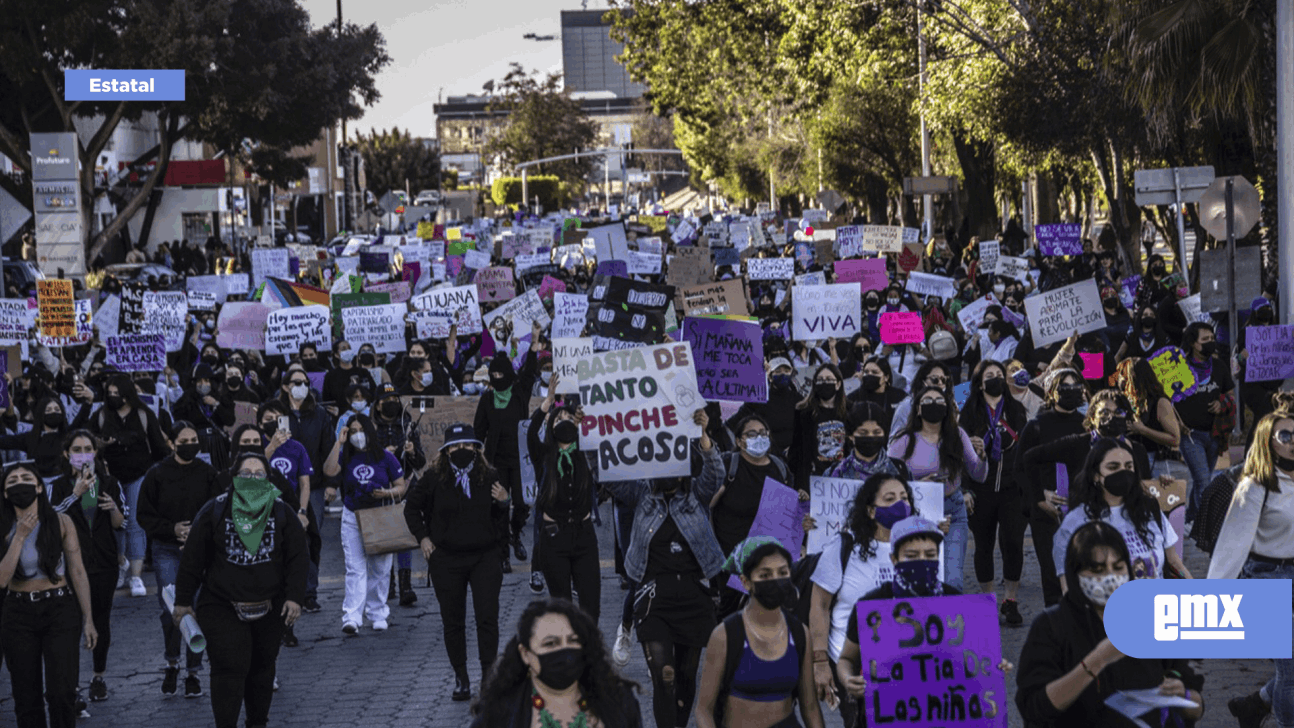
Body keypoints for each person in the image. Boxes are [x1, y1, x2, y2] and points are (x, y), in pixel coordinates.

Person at [600, 408, 723, 728]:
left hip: (695, 596)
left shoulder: (696, 495)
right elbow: (607, 472)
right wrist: (592, 431)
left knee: (684, 675)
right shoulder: (641, 495)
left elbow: (715, 473)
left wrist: (704, 436)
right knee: (664, 676)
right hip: (654, 599)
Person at [1016, 521, 1204, 727]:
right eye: (1097, 570)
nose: (1110, 577)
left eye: (1117, 567)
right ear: (1075, 573)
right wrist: (1097, 661)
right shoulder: (1051, 627)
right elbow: (1035, 708)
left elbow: (1197, 706)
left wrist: (1183, 696)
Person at [172, 453, 308, 728]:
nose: (253, 479)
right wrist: (183, 601)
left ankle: (257, 722)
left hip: (270, 606)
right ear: (234, 478)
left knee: (262, 668)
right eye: (246, 474)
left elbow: (298, 557)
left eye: (259, 474)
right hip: (222, 604)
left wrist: (295, 597)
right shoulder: (215, 510)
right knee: (229, 668)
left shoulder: (282, 511)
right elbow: (193, 559)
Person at [403, 423, 510, 702]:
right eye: (455, 446)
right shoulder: (433, 478)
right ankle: (461, 677)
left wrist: (504, 502)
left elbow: (502, 522)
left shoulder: (490, 475)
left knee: (487, 617)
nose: (461, 450)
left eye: (467, 445)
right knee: (453, 621)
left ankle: (488, 676)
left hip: (484, 557)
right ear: (446, 450)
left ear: (476, 448)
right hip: (447, 558)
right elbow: (412, 507)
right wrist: (423, 538)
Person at [808, 473, 916, 728]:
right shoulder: (844, 547)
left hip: (906, 664)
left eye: (904, 498)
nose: (900, 505)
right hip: (853, 665)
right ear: (870, 510)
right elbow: (819, 606)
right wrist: (820, 661)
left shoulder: (919, 548)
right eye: (889, 499)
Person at [1208, 411, 1294, 728]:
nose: (1293, 441)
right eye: (1285, 436)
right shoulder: (1256, 485)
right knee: (1291, 671)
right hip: (1266, 579)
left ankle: (1254, 706)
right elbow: (1232, 545)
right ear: (1268, 442)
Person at [0, 461, 98, 728]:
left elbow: (77, 571)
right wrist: (19, 537)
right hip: (18, 613)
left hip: (59, 608)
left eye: (26, 478)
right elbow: (2, 579)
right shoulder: (4, 527)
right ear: (5, 494)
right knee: (25, 696)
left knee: (62, 691)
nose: (20, 483)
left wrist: (88, 618)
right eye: (12, 481)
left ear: (40, 488)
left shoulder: (61, 521)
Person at [694, 537, 825, 728]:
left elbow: (810, 707)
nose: (775, 581)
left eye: (782, 572)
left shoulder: (799, 634)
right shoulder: (725, 636)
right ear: (746, 582)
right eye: (765, 575)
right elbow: (704, 710)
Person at [136, 421, 222, 697]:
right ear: (172, 443)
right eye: (183, 441)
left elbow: (217, 510)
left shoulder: (208, 473)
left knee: (196, 607)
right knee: (171, 608)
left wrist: (198, 534)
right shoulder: (157, 474)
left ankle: (193, 673)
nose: (190, 445)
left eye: (194, 439)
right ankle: (172, 663)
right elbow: (144, 515)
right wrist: (171, 529)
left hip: (198, 551)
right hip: (166, 549)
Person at [469, 598, 643, 728]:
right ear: (526, 654)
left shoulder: (619, 701)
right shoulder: (500, 714)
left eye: (573, 641)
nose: (564, 651)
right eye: (550, 643)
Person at [888, 384, 986, 592]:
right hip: (916, 514)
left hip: (953, 511)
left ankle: (947, 622)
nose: (934, 405)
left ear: (948, 408)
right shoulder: (903, 440)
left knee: (952, 581)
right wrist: (916, 486)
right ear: (918, 409)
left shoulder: (958, 435)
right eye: (928, 402)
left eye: (939, 401)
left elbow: (979, 474)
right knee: (920, 578)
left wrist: (983, 458)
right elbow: (887, 480)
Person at [49, 430, 123, 703]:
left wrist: (114, 508)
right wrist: (74, 493)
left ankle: (98, 676)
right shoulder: (58, 485)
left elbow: (121, 524)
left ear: (95, 452)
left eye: (88, 448)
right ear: (67, 454)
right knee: (72, 622)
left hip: (103, 561)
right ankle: (72, 685)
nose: (83, 454)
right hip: (69, 564)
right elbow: (50, 520)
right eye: (77, 449)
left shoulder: (108, 482)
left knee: (100, 619)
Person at [1053, 438, 1189, 583]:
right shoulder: (1076, 522)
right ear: (1095, 475)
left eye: (1128, 466)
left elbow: (1174, 561)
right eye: (1113, 467)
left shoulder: (1148, 509)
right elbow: (1068, 587)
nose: (1123, 473)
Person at [322, 413, 406, 634]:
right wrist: (338, 443)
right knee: (355, 567)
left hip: (379, 515)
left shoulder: (385, 457)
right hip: (353, 516)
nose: (358, 435)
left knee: (380, 567)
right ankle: (352, 617)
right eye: (353, 431)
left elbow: (401, 486)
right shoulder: (346, 456)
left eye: (361, 430)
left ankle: (378, 612)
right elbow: (329, 471)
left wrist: (386, 493)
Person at [959, 360, 1029, 625]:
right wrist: (965, 487)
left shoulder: (1016, 410)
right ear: (979, 383)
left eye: (1000, 375)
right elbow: (959, 454)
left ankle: (1010, 601)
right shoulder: (969, 414)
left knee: (1013, 543)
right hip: (981, 489)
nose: (996, 379)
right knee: (984, 546)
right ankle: (987, 601)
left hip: (1012, 489)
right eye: (990, 376)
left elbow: (1025, 447)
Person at [87, 373, 170, 597]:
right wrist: (100, 444)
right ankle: (121, 564)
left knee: (134, 523)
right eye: (110, 393)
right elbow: (86, 440)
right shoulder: (102, 415)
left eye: (117, 393)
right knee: (115, 524)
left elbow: (159, 447)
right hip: (110, 478)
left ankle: (136, 575)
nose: (113, 397)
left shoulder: (143, 414)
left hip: (138, 476)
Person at [708, 412, 796, 620]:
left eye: (763, 433)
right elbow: (705, 503)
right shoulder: (728, 465)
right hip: (733, 560)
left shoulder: (779, 467)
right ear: (739, 441)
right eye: (752, 434)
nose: (759, 438)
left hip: (768, 556)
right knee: (731, 613)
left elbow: (790, 513)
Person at [1015, 369, 1089, 607]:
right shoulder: (1036, 426)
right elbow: (1020, 468)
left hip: (1081, 512)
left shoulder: (1087, 425)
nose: (1071, 392)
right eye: (1064, 388)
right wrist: (1039, 497)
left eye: (1075, 387)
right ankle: (1057, 631)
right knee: (1052, 575)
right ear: (1052, 392)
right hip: (1047, 514)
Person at [528, 380, 600, 619]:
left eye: (568, 418)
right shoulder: (544, 455)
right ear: (550, 426)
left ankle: (589, 654)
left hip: (584, 536)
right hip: (553, 537)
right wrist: (547, 403)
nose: (564, 422)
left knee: (591, 606)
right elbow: (531, 432)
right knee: (563, 609)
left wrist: (584, 421)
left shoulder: (586, 451)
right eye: (558, 420)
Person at [475, 341, 542, 573]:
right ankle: (503, 554)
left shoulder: (519, 393)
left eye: (500, 373)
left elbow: (530, 372)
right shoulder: (486, 400)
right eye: (493, 373)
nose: (496, 377)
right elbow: (478, 431)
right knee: (500, 507)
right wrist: (478, 457)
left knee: (523, 503)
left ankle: (516, 532)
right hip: (497, 462)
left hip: (521, 460)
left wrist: (534, 348)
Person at [1176, 322, 1235, 519]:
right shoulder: (1180, 367)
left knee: (1204, 479)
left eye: (1212, 339)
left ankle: (1190, 517)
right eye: (1205, 340)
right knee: (1202, 481)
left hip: (1215, 434)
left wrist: (1222, 403)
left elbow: (1230, 394)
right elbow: (1166, 398)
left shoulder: (1219, 366)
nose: (1210, 343)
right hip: (1190, 435)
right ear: (1193, 343)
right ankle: (1206, 525)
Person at [790, 363, 850, 492]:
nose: (824, 383)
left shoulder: (850, 411)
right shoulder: (803, 412)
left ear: (838, 384)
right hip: (813, 479)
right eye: (820, 380)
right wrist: (800, 485)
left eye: (829, 379)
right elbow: (798, 451)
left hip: (843, 479)